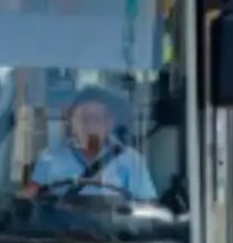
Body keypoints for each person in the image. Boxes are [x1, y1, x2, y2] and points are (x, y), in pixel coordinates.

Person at [26, 87, 156, 203]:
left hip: (115, 229)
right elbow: (31, 203)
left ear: (109, 123)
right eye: (84, 119)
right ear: (72, 122)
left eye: (97, 119)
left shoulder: (132, 161)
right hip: (61, 229)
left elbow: (147, 207)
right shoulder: (48, 160)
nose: (90, 127)